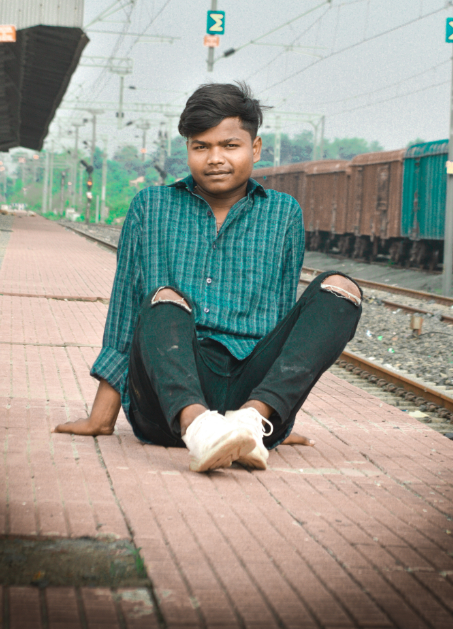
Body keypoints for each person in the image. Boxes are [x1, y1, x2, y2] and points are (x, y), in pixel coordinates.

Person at [55, 82, 363, 472]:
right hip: (166, 399)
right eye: (201, 146)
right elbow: (124, 311)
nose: (214, 158)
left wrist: (280, 420)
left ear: (255, 148)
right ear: (187, 149)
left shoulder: (283, 213)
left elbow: (285, 319)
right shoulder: (150, 208)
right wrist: (102, 416)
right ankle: (198, 426)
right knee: (162, 299)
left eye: (229, 146)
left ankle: (251, 422)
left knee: (342, 290)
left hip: (249, 393)